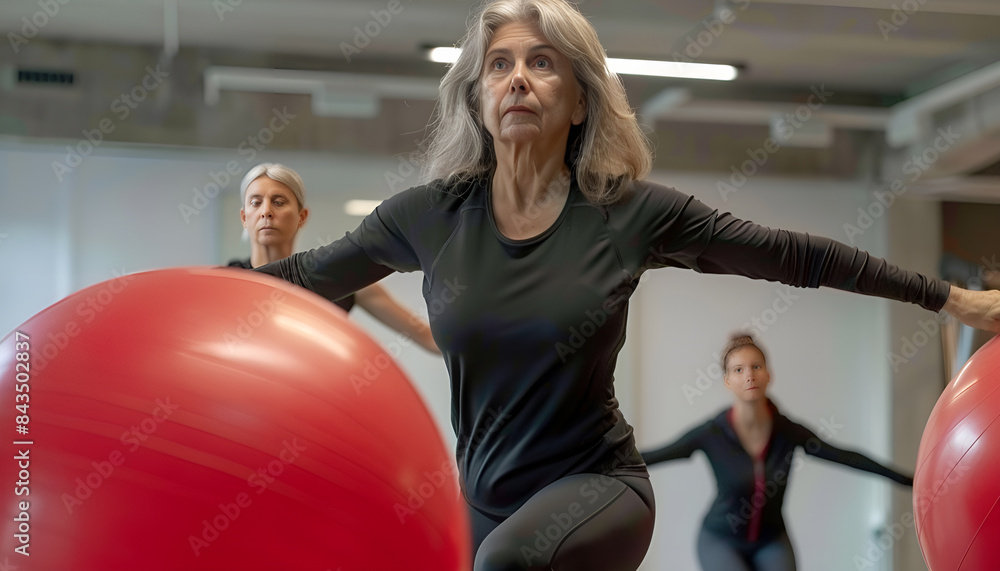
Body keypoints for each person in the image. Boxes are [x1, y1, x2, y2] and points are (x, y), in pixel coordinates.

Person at [251, 1, 1000, 568]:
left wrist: (950, 298)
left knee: (506, 564)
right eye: (499, 64)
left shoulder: (627, 214)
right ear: (477, 98)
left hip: (597, 485)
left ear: (579, 101)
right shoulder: (427, 216)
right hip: (480, 497)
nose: (516, 77)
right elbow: (302, 281)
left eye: (542, 63)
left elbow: (788, 256)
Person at [641, 334, 913, 571]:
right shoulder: (712, 433)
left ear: (768, 374)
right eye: (738, 370)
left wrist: (910, 480)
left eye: (755, 366)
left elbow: (846, 457)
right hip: (720, 539)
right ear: (727, 381)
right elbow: (653, 456)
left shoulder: (788, 432)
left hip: (771, 539)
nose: (748, 375)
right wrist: (603, 466)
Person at [229, 163, 439, 355]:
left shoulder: (341, 279)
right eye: (255, 203)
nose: (266, 211)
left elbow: (429, 339)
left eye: (278, 202)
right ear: (244, 217)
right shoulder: (224, 283)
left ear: (301, 217)